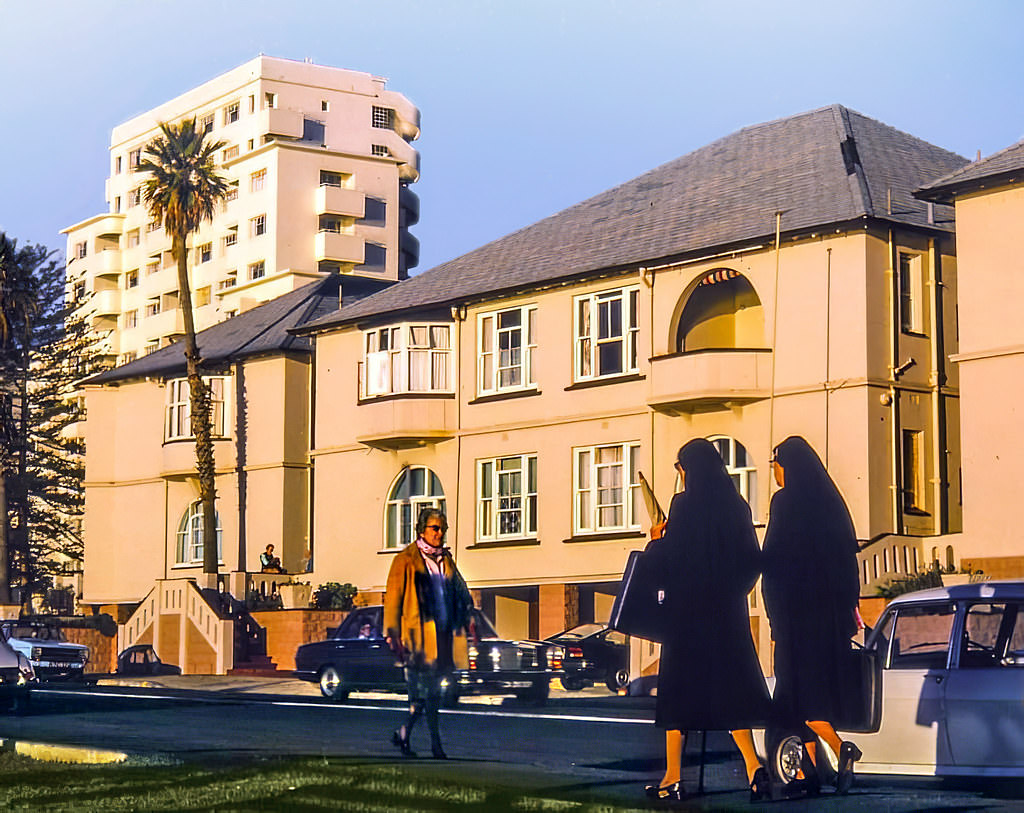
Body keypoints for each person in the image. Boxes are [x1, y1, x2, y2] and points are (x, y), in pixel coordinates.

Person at [643, 439, 772, 802]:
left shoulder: (683, 506)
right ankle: (753, 767)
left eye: (680, 468)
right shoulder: (737, 506)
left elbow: (673, 561)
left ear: (688, 469)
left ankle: (672, 778)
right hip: (727, 614)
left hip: (688, 616)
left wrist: (656, 541)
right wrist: (732, 593)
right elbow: (752, 560)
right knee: (730, 694)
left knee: (678, 698)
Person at [762, 436, 863, 796]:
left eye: (775, 463)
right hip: (830, 621)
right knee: (808, 693)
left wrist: (774, 618)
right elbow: (848, 564)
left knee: (793, 697)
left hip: (795, 619)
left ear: (786, 466)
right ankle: (811, 773)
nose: (773, 471)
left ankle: (838, 749)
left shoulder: (785, 502)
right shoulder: (831, 504)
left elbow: (773, 562)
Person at [384, 508, 474, 760]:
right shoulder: (405, 559)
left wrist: (468, 615)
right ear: (422, 530)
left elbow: (461, 590)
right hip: (417, 641)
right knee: (421, 695)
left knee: (433, 696)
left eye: (443, 529)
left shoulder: (446, 560)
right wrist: (392, 635)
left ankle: (410, 736)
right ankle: (430, 744)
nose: (440, 533)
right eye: (435, 528)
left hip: (443, 637)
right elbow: (393, 600)